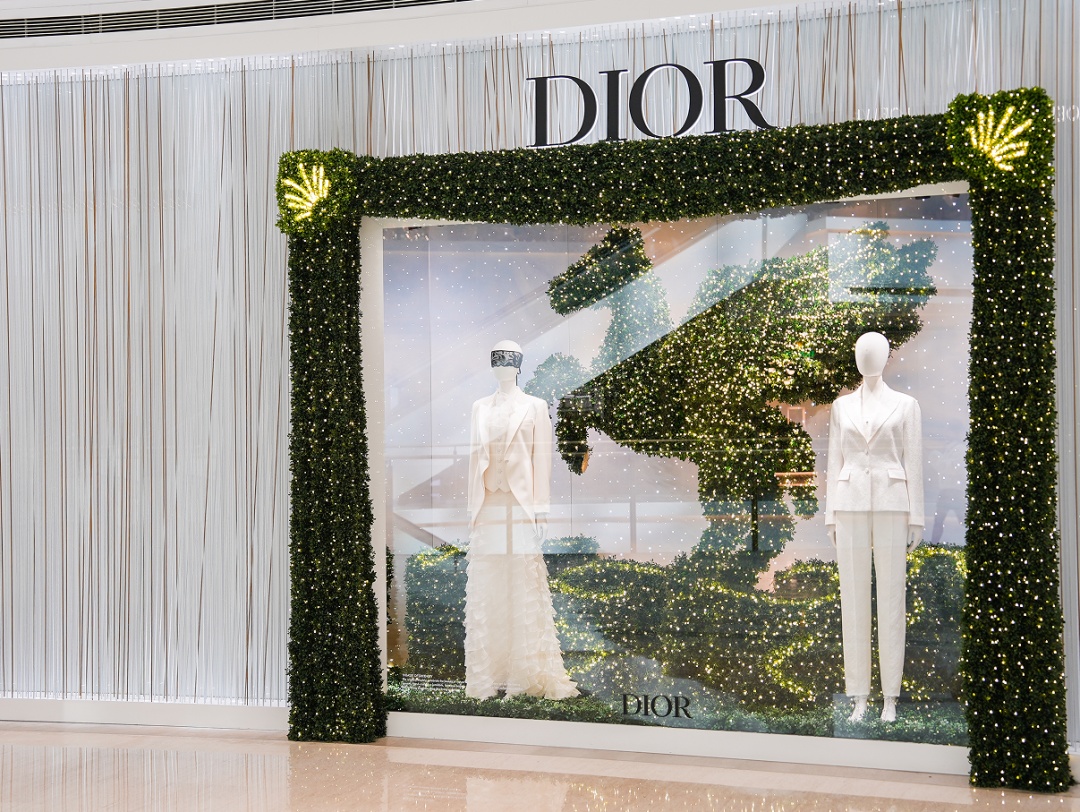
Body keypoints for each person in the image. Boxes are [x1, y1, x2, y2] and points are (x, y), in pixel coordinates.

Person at [463, 340, 578, 700]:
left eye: (507, 360)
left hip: (520, 505)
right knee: (488, 586)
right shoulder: (479, 407)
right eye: (496, 359)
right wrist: (472, 509)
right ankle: (485, 678)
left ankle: (522, 676)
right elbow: (474, 461)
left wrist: (541, 509)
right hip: (489, 506)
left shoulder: (535, 406)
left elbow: (541, 461)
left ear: (518, 365)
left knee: (521, 584)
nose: (501, 365)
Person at [825, 332, 923, 722]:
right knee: (852, 599)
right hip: (849, 504)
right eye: (862, 352)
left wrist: (916, 516)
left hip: (892, 503)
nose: (868, 357)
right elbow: (834, 460)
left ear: (886, 358)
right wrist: (830, 514)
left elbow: (913, 461)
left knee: (892, 598)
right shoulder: (841, 406)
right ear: (856, 358)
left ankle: (890, 697)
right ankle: (859, 695)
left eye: (876, 352)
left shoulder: (906, 405)